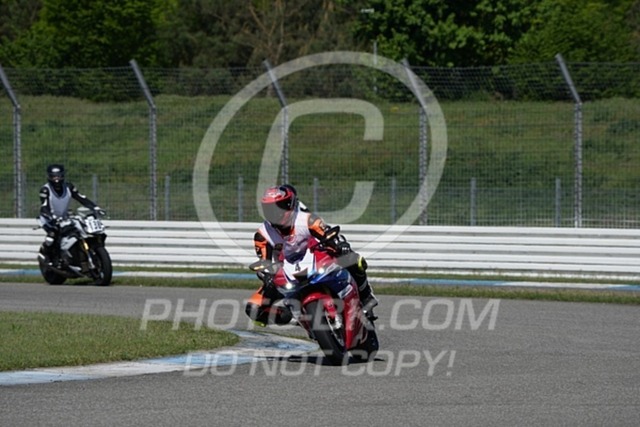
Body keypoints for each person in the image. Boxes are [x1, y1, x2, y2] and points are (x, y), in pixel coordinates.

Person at [245, 184, 378, 326]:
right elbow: (264, 263)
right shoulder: (263, 234)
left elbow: (329, 235)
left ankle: (366, 297)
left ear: (290, 204)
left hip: (317, 258)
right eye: (270, 209)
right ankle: (294, 318)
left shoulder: (306, 219)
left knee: (353, 258)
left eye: (279, 207)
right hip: (287, 272)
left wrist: (340, 245)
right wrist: (267, 275)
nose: (275, 213)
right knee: (253, 309)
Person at [37, 164, 105, 266]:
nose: (57, 179)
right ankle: (46, 256)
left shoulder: (69, 187)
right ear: (50, 177)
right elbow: (44, 206)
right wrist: (51, 216)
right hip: (48, 218)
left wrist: (95, 207)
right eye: (54, 176)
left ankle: (76, 254)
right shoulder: (45, 190)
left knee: (79, 229)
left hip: (64, 217)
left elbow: (81, 198)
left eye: (59, 176)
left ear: (63, 175)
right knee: (53, 235)